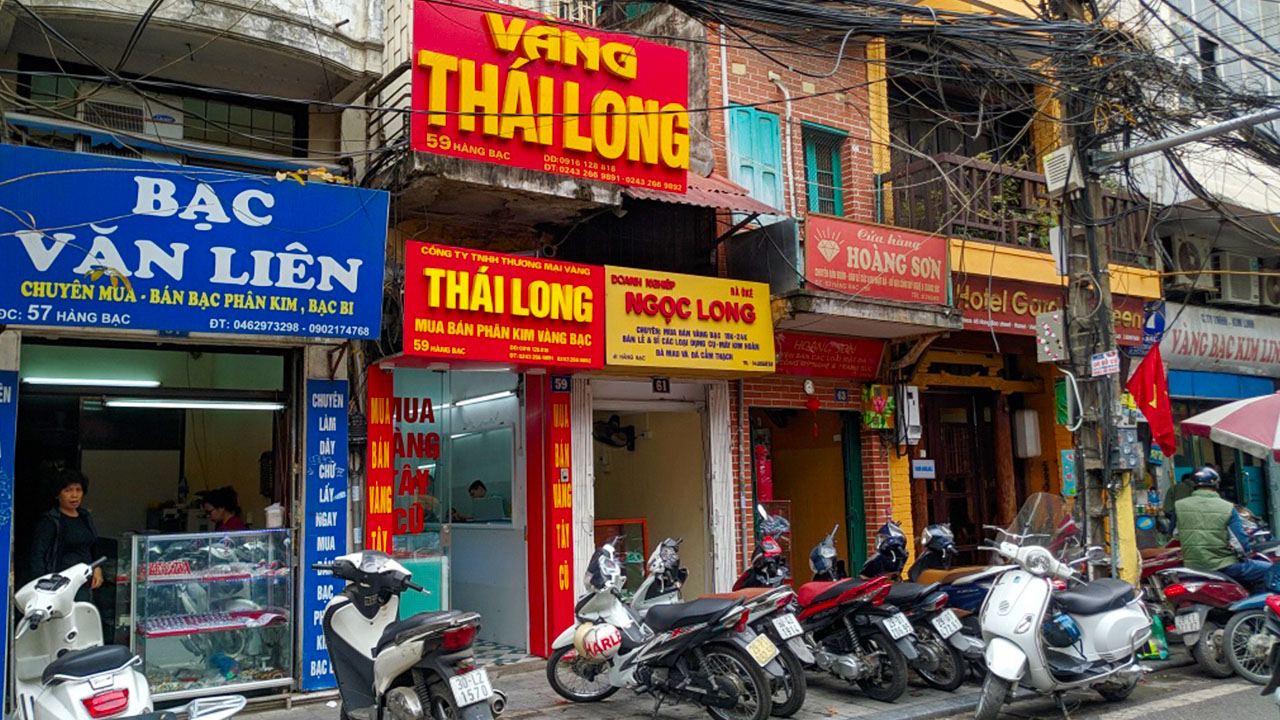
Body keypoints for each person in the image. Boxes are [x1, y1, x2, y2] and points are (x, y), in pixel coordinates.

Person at [1175, 466, 1280, 593]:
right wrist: (1245, 551)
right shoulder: (1228, 507)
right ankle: (1256, 606)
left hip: (1192, 566)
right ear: (1216, 485)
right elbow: (1241, 544)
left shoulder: (1179, 506)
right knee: (1270, 569)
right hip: (1223, 565)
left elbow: (1175, 534)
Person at [29, 469, 102, 601]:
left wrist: (97, 568)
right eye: (68, 490)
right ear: (58, 494)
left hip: (84, 582)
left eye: (78, 490)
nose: (74, 495)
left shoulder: (85, 517)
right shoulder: (51, 520)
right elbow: (37, 555)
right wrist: (44, 586)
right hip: (60, 586)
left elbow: (93, 546)